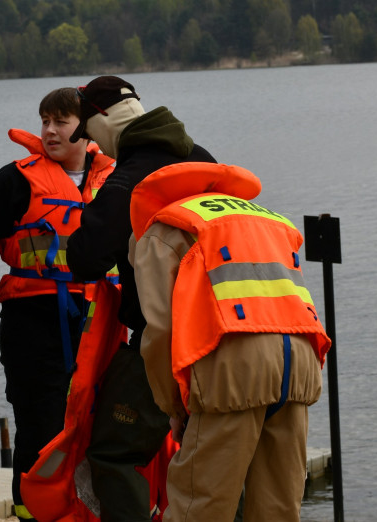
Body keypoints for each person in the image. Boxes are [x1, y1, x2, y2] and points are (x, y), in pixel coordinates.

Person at [129, 161, 331, 522]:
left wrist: (174, 406)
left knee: (200, 507)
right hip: (299, 365)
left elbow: (160, 331)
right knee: (279, 509)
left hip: (233, 371)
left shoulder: (164, 228)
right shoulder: (270, 219)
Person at [0, 87, 116, 521]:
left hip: (99, 323)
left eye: (60, 122)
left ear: (86, 127)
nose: (48, 130)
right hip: (33, 323)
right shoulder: (15, 179)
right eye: (44, 120)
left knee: (103, 430)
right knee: (40, 431)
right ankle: (32, 514)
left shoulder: (117, 179)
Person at [64, 76, 215, 522]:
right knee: (221, 457)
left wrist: (98, 212)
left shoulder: (127, 179)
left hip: (164, 340)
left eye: (90, 134)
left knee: (112, 452)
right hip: (233, 330)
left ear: (103, 121)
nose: (95, 147)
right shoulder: (204, 161)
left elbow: (85, 259)